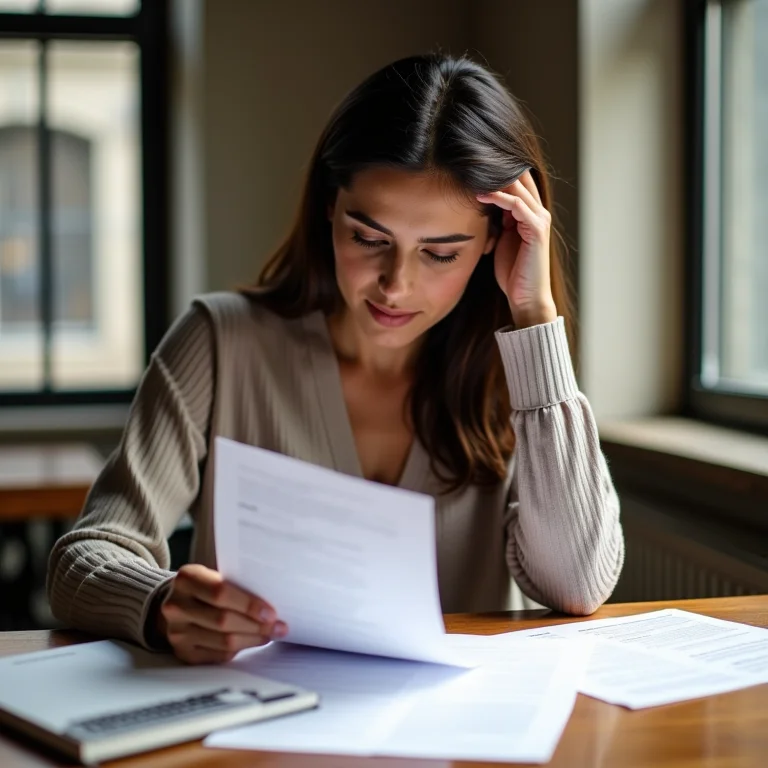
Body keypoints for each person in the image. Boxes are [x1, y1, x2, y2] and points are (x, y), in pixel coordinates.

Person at [47, 53, 624, 665]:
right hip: (252, 728)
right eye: (369, 239)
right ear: (329, 205)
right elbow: (85, 556)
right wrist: (161, 604)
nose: (395, 284)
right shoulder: (221, 343)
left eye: (440, 253)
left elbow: (578, 585)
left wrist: (535, 316)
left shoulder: (515, 376)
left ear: (494, 241)